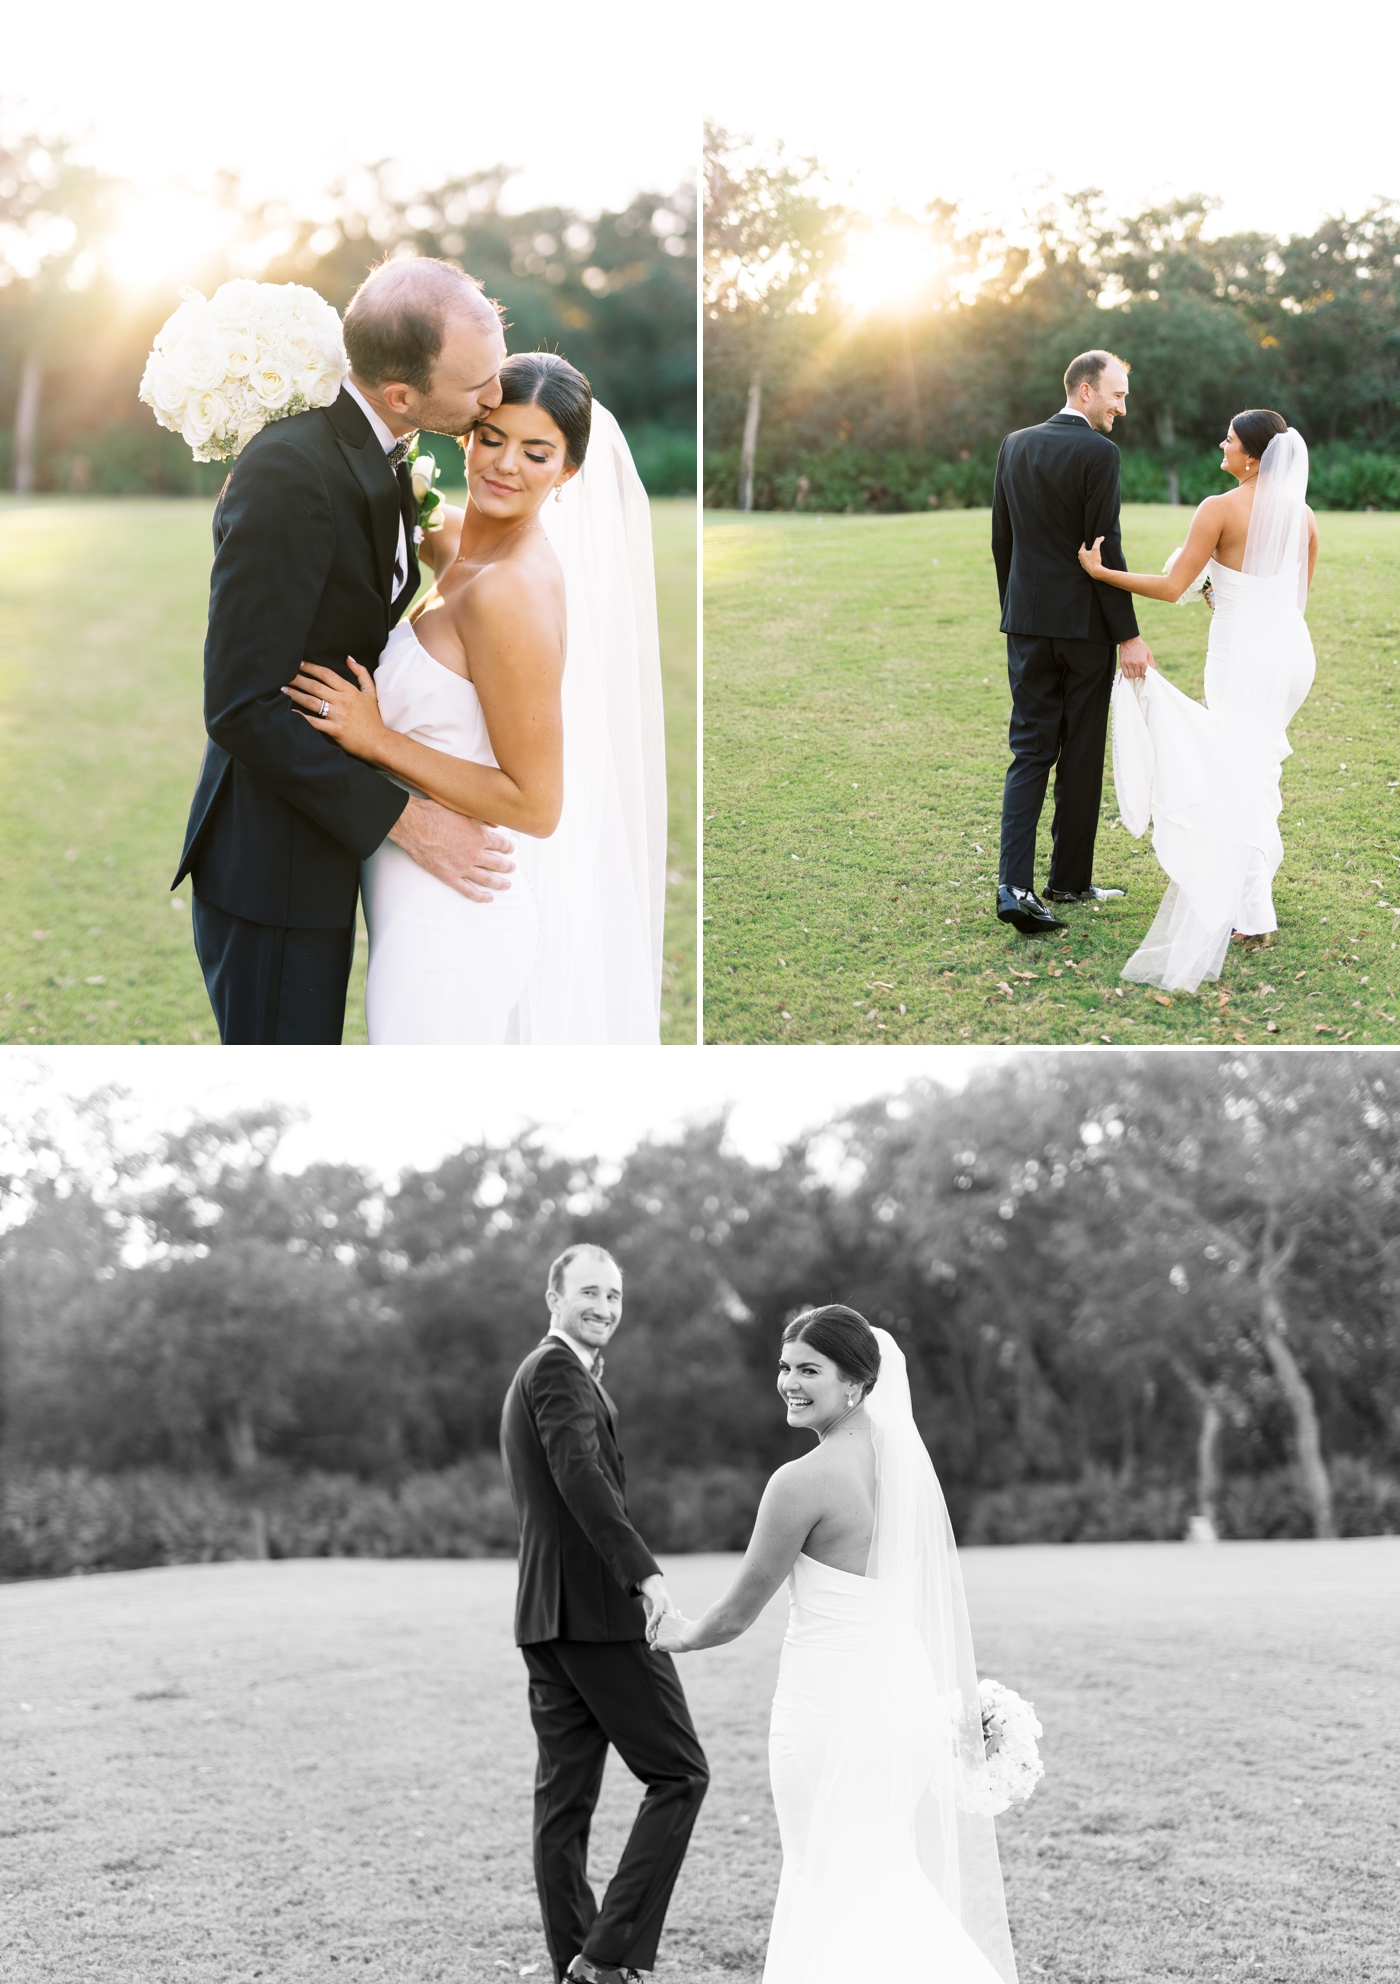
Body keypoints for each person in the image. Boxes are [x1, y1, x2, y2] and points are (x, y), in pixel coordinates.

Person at [173, 257, 516, 1044]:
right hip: (273, 866)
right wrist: (411, 821)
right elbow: (241, 707)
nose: (494, 397)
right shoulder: (293, 470)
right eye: (477, 388)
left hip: (329, 851)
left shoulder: (376, 449)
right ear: (403, 395)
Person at [283, 353, 667, 1044]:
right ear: (466, 433)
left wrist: (377, 740)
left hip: (452, 917)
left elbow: (536, 804)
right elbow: (373, 484)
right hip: (409, 900)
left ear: (568, 472)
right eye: (492, 438)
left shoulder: (510, 592)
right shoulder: (463, 543)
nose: (505, 466)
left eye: (537, 452)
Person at [649, 1306, 1018, 1984]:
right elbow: (940, 1598)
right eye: (785, 1367)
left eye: (809, 1370)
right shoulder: (904, 1470)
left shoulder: (801, 1481)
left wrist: (682, 1634)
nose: (789, 1382)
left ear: (855, 1383)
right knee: (882, 1866)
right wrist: (963, 1700)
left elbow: (736, 1613)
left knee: (827, 1873)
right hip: (902, 1702)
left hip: (827, 1707)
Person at [499, 1245, 709, 1984]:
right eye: (590, 1292)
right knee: (680, 1774)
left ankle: (577, 1966)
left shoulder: (549, 1374)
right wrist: (643, 1573)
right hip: (593, 1616)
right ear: (552, 1296)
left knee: (564, 1804)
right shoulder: (556, 1371)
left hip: (546, 1620)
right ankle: (606, 1955)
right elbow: (580, 1476)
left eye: (615, 1296)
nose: (605, 1308)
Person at [1078, 411, 1318, 990]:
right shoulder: (1304, 516)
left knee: (1238, 770)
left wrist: (1101, 571)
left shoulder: (1219, 507)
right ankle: (1252, 899)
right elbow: (1297, 594)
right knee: (1257, 768)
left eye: (1230, 439)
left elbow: (1169, 587)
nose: (1222, 444)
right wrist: (1223, 589)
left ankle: (1254, 913)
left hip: (1240, 655)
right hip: (1291, 657)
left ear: (1253, 458)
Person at [991, 349, 1154, 935]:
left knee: (1031, 749)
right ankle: (1068, 881)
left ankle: (1015, 886)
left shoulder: (1015, 444)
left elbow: (1001, 541)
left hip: (1028, 623)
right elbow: (1102, 551)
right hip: (1084, 627)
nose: (1122, 407)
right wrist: (1128, 636)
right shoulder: (1099, 452)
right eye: (1117, 394)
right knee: (1081, 750)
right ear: (1084, 391)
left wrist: (1018, 608)